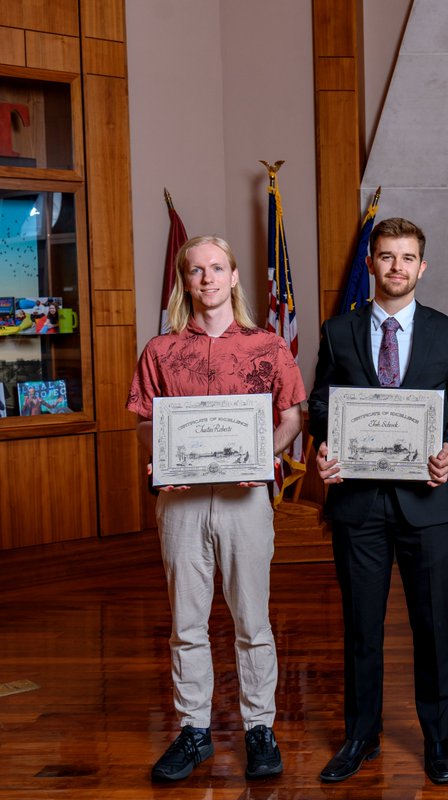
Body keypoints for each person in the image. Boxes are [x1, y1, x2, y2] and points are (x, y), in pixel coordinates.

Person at [309, 217, 448, 784]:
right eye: (386, 257)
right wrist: (325, 443)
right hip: (357, 504)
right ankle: (361, 735)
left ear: (421, 267)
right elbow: (318, 404)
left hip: (428, 504)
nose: (396, 268)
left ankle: (437, 739)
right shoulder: (338, 331)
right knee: (362, 627)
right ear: (371, 264)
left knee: (432, 624)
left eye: (407, 258)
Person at [127, 235, 305, 782]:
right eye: (196, 270)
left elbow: (294, 416)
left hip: (244, 500)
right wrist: (164, 457)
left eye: (217, 268)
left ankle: (259, 728)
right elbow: (142, 421)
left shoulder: (268, 347)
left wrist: (260, 451)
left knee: (252, 620)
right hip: (181, 506)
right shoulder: (160, 351)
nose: (206, 278)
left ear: (233, 278)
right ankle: (194, 732)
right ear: (185, 280)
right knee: (187, 623)